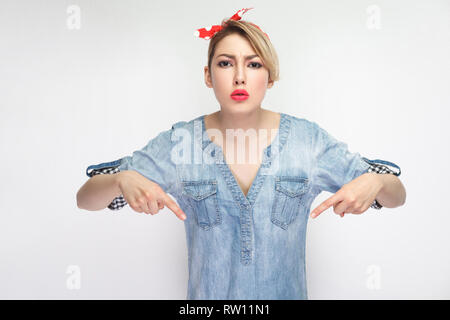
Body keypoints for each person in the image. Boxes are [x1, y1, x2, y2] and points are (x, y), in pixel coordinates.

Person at [76, 8, 406, 299]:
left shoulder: (308, 141)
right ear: (208, 75)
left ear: (270, 76)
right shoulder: (180, 143)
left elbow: (396, 196)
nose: (239, 76)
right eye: (225, 63)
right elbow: (86, 199)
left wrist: (376, 182)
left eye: (253, 64)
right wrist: (121, 178)